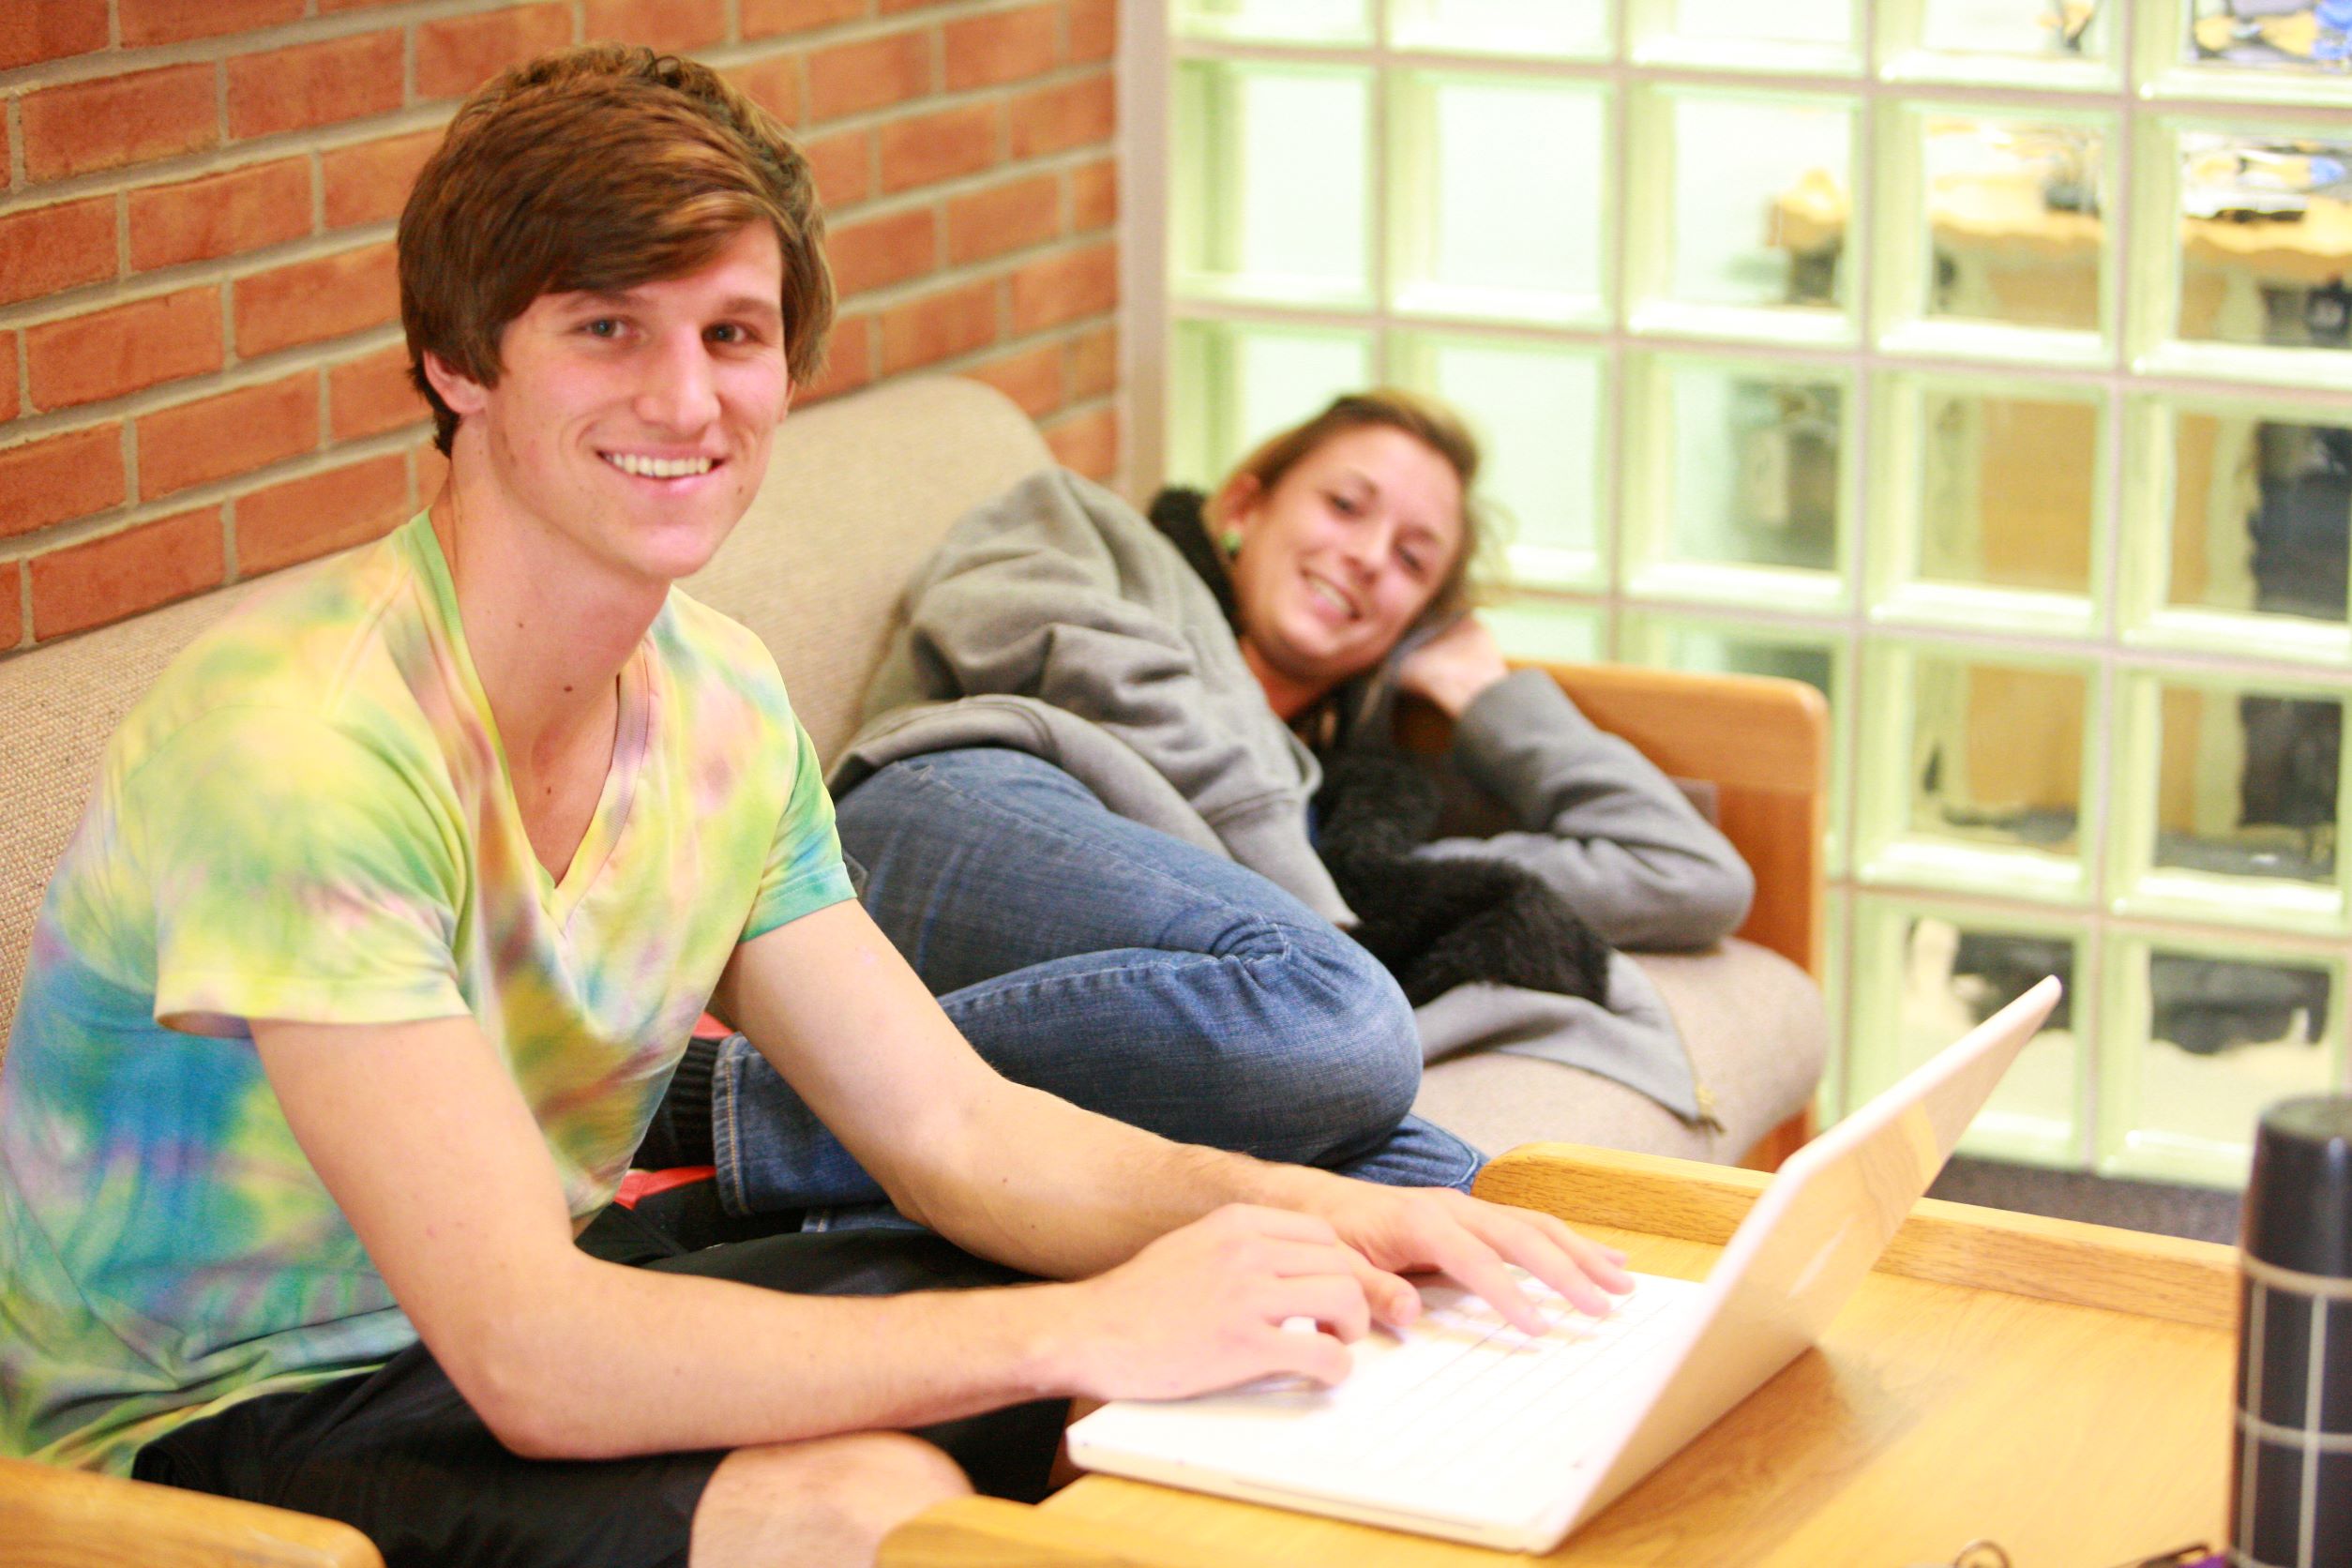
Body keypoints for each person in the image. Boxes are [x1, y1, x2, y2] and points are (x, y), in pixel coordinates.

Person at [0, 45, 1636, 1568]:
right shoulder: (306, 745)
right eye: (605, 328)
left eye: (732, 335)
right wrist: (1087, 1325)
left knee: (1299, 1305)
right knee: (870, 1500)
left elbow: (955, 1132)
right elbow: (533, 1358)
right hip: (216, 1417)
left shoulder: (718, 701)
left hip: (550, 1305)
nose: (686, 399)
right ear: (456, 359)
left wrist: (1341, 1218)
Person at [672, 390, 1758, 1224]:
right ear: (1245, 506)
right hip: (962, 807)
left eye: (1412, 562)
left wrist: (1492, 697)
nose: (1367, 557)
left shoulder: (1345, 812)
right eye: (1345, 505)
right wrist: (1295, 887)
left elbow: (1691, 875)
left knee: (1450, 1195)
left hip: (1181, 960)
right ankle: (721, 1097)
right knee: (1346, 1020)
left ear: (1414, 622)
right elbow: (1010, 626)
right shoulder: (1092, 533)